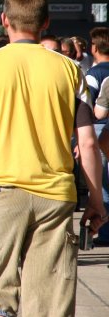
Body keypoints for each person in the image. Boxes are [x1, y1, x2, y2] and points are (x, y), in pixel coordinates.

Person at [0, 0, 106, 317]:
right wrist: (95, 200)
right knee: (49, 303)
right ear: (46, 22)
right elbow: (88, 143)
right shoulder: (70, 70)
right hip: (55, 197)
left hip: (1, 190)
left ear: (4, 20)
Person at [85, 27, 109, 243]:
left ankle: (105, 232)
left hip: (101, 130)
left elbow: (92, 108)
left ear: (94, 48)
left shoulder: (95, 74)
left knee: (102, 184)